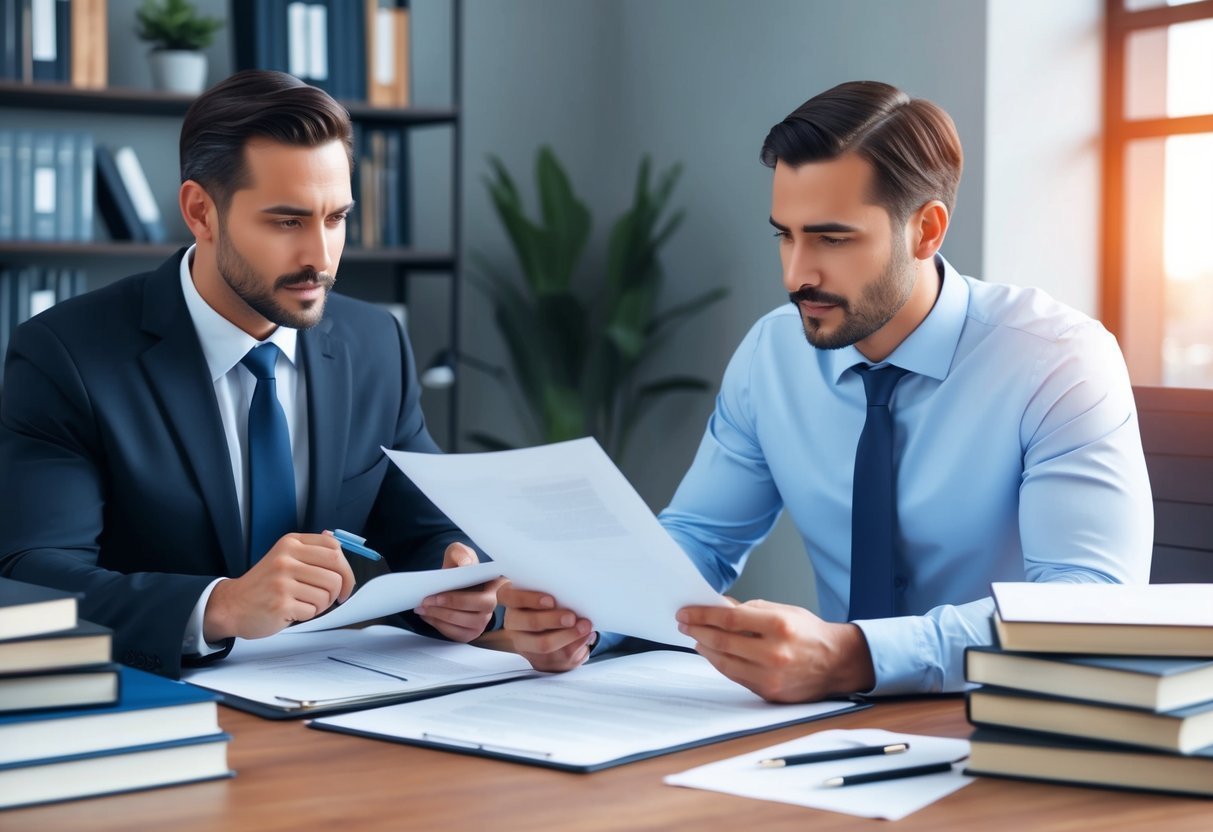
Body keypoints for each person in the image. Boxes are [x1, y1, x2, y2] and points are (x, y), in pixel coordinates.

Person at [498, 80, 1153, 700]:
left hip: (1009, 723)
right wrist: (589, 617)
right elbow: (699, 539)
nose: (794, 274)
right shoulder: (771, 354)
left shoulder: (1055, 359)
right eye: (784, 234)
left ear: (925, 230)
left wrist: (855, 656)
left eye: (831, 238)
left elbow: (1087, 605)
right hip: (826, 730)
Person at [0, 70, 500, 678]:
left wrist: (458, 587)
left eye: (336, 218)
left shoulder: (375, 342)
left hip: (342, 696)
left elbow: (426, 529)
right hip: (164, 708)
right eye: (287, 222)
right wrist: (222, 605)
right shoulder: (66, 354)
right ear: (200, 212)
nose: (320, 256)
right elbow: (31, 576)